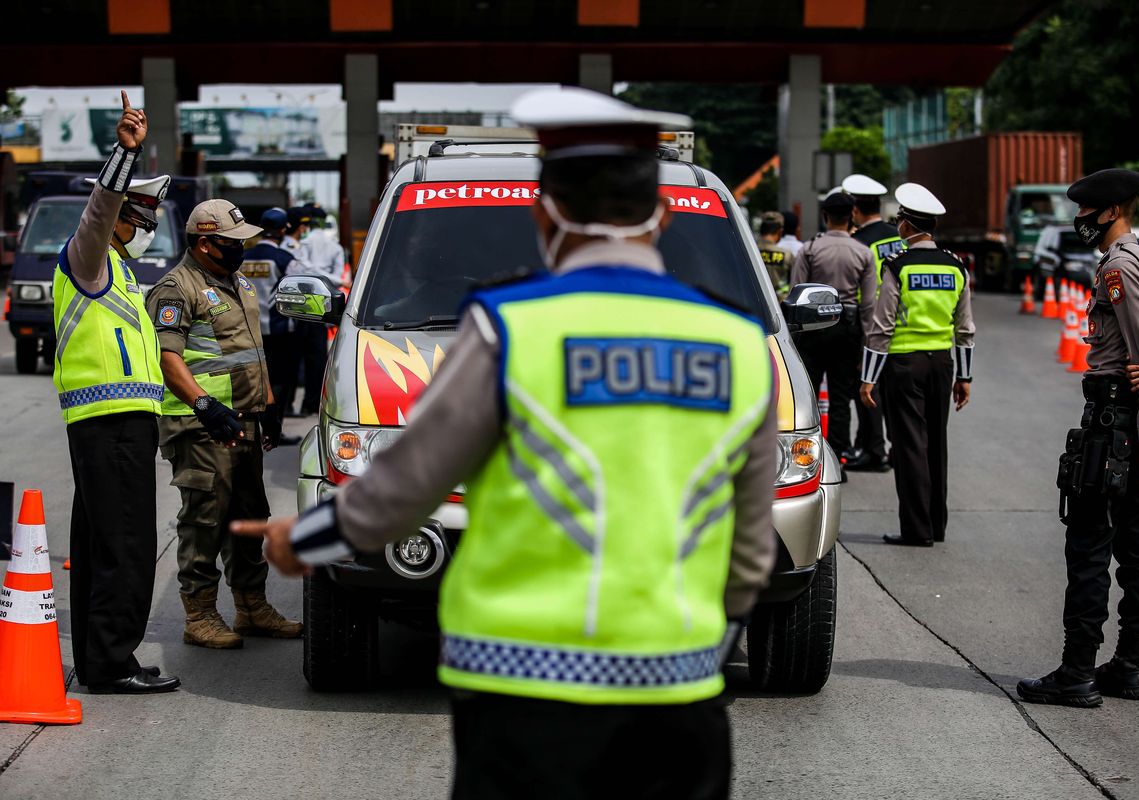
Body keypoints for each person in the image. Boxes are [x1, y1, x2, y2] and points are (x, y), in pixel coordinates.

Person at [234, 86, 778, 799]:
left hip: (520, 693)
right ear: (663, 214)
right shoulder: (741, 346)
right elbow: (751, 549)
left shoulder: (506, 327)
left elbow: (405, 488)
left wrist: (299, 541)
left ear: (545, 211)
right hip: (676, 692)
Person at [1018, 169, 1139, 707]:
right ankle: (1129, 668)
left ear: (1111, 211)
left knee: (1090, 547)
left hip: (1118, 424)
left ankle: (1077, 674)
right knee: (1138, 547)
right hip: (1136, 418)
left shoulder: (1117, 268)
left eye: (1087, 212)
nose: (1081, 222)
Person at [53, 91, 181, 694]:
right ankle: (113, 663)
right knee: (127, 545)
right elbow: (97, 213)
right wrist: (123, 156)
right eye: (142, 217)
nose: (148, 230)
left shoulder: (125, 276)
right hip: (108, 424)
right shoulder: (88, 259)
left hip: (124, 423)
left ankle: (101, 658)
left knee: (105, 540)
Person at [145, 200, 302, 649]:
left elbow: (252, 350)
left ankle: (252, 608)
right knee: (205, 521)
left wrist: (270, 405)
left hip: (245, 420)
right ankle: (200, 615)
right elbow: (167, 357)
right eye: (232, 241)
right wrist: (204, 406)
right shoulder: (177, 288)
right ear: (204, 243)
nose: (241, 247)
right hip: (202, 427)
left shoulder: (237, 282)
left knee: (249, 517)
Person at [860, 183, 975, 547]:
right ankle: (936, 526)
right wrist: (966, 376)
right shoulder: (957, 267)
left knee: (910, 446)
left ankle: (916, 529)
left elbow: (882, 326)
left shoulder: (898, 266)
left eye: (900, 222)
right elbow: (966, 327)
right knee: (936, 443)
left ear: (908, 226)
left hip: (904, 364)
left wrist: (867, 378)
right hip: (942, 365)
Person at [791, 190, 876, 462]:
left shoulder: (810, 249)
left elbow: (796, 295)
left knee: (809, 394)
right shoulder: (863, 253)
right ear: (852, 215)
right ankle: (838, 457)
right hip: (847, 328)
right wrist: (867, 347)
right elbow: (869, 306)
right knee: (841, 397)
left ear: (825, 216)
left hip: (813, 328)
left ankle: (808, 457)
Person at [843, 173, 903, 472]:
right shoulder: (899, 235)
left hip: (871, 325)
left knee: (866, 389)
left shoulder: (858, 242)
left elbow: (856, 292)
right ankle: (894, 448)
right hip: (903, 324)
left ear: (854, 208)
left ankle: (873, 450)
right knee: (893, 392)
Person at [241, 207, 302, 446]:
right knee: (279, 381)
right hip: (280, 332)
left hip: (247, 330)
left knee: (250, 379)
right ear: (284, 230)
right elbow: (297, 296)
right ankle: (274, 427)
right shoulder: (286, 260)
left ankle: (251, 426)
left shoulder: (242, 257)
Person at [283, 206, 328, 416]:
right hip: (296, 311)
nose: (306, 229)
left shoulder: (301, 245)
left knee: (314, 359)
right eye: (304, 225)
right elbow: (308, 272)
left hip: (307, 309)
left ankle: (309, 403)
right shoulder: (288, 249)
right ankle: (290, 405)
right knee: (293, 361)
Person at [757, 211, 794, 299]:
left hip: (754, 303)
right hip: (780, 305)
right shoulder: (787, 255)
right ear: (780, 231)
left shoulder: (749, 251)